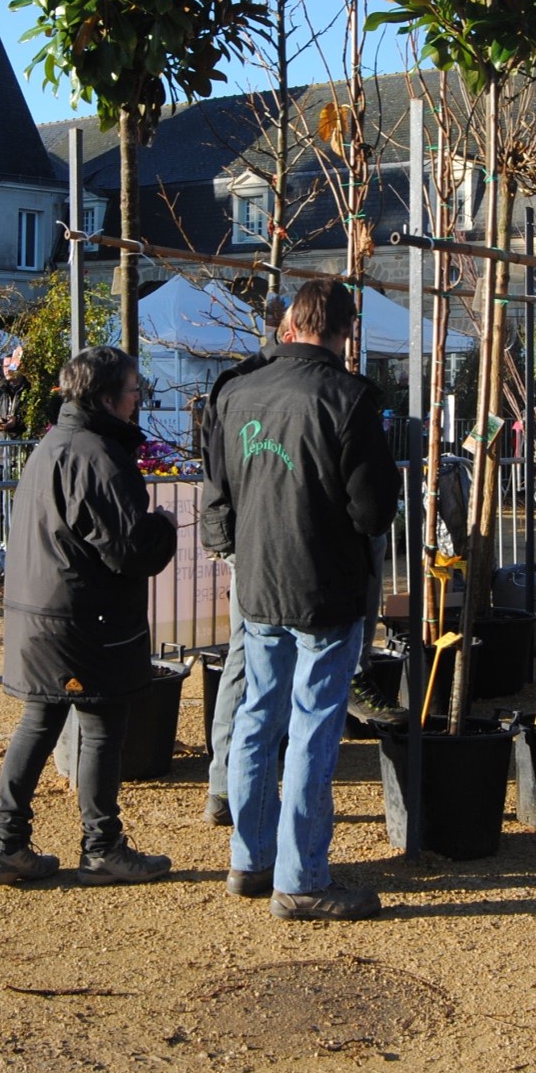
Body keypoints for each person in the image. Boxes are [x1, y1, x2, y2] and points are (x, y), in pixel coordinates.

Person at [202, 278, 399, 920]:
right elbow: (372, 511)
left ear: (291, 324)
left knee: (259, 716)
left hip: (258, 582)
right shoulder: (349, 398)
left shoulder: (236, 391)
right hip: (324, 586)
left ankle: (251, 857)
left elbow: (219, 492)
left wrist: (232, 549)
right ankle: (302, 877)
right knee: (313, 725)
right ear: (346, 329)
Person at [0, 345, 177, 887]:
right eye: (136, 392)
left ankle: (8, 846)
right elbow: (128, 548)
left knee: (41, 720)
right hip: (84, 618)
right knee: (101, 724)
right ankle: (101, 847)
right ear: (109, 396)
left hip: (45, 612)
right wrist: (163, 526)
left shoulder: (54, 444)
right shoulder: (95, 454)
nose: (140, 401)